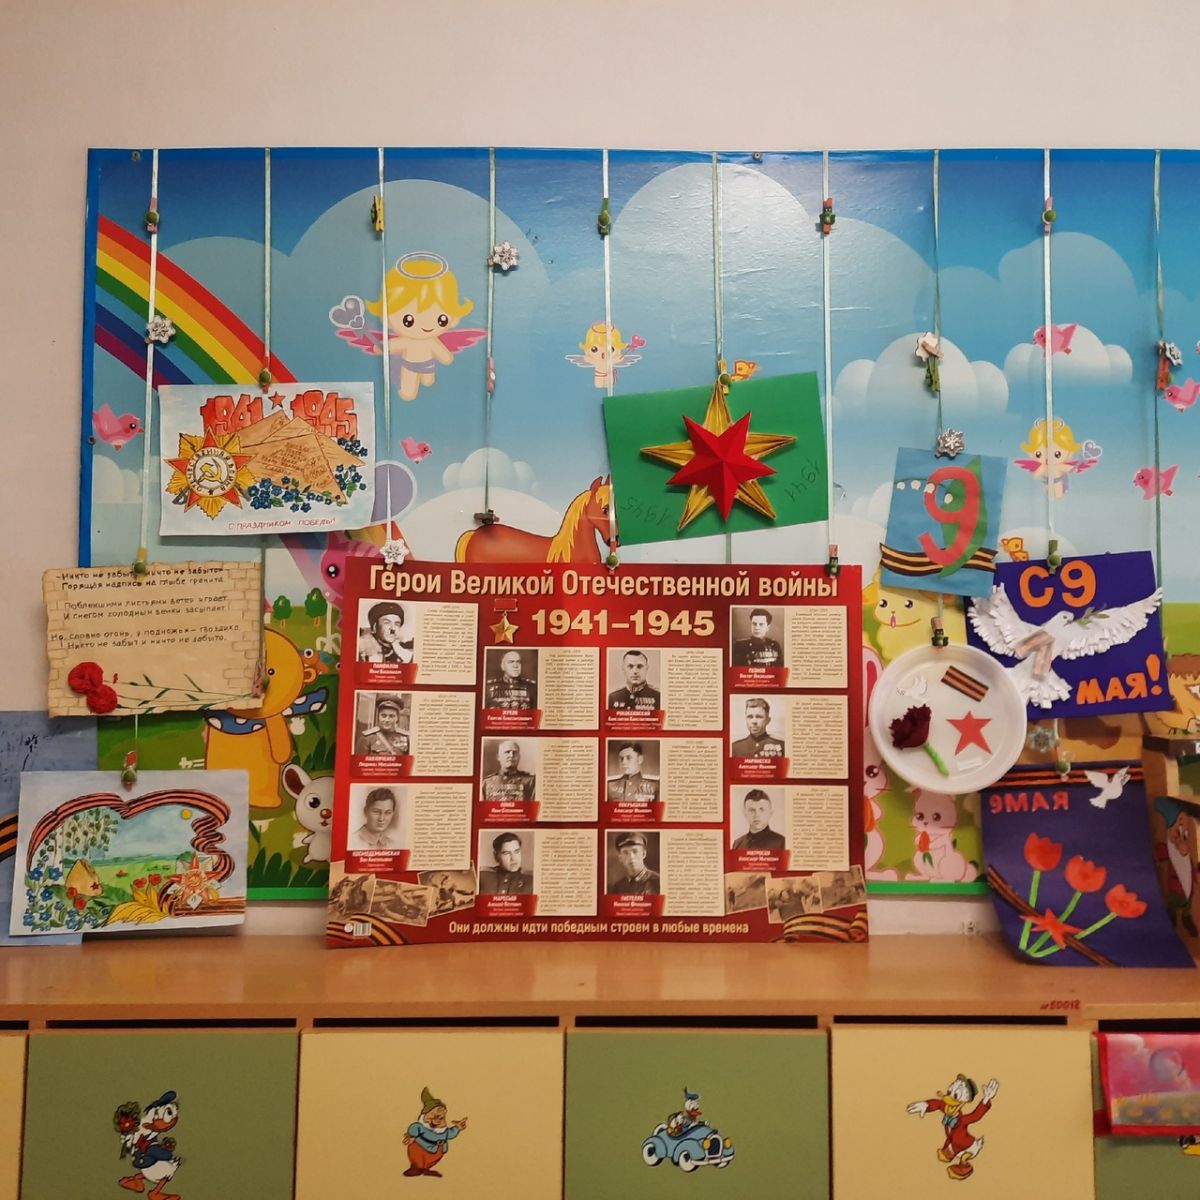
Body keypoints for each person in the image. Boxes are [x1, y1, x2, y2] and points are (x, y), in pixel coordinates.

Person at [403, 1086, 468, 1178]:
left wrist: (458, 1127)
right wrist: (412, 1136)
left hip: (436, 1150)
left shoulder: (443, 1131)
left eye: (441, 1118)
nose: (438, 1120)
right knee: (415, 1151)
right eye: (435, 1117)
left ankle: (426, 1169)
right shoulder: (421, 1127)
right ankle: (416, 1168)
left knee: (431, 1159)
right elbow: (414, 1127)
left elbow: (450, 1134)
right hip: (422, 1147)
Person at [610, 831, 660, 895]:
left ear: (644, 854)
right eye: (625, 852)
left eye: (635, 851)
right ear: (620, 857)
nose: (631, 857)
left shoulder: (658, 882)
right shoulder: (618, 887)